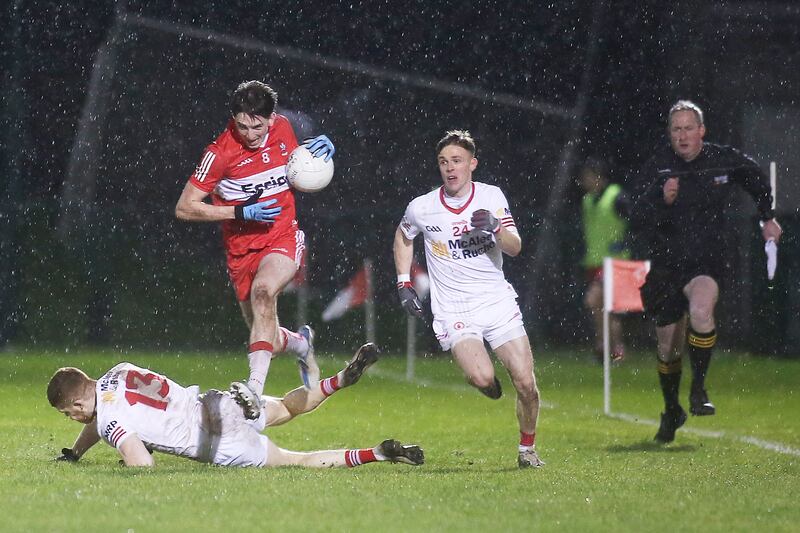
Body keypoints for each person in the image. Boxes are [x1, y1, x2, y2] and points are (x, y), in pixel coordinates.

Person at [175, 81, 336, 419]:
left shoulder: (285, 127)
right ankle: (302, 344)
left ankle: (254, 390)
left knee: (264, 292)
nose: (249, 133)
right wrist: (239, 211)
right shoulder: (218, 153)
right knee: (267, 338)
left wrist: (321, 147)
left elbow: (302, 156)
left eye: (257, 126)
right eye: (241, 125)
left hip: (282, 235)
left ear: (271, 118)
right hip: (240, 250)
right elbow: (185, 207)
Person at [631, 100, 782, 443]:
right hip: (667, 266)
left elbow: (755, 177)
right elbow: (635, 217)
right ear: (669, 134)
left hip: (706, 263)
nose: (682, 135)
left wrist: (767, 216)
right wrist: (660, 198)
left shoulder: (722, 159)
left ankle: (698, 389)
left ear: (702, 131)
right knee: (667, 348)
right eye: (676, 129)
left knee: (701, 311)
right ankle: (672, 409)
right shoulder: (658, 168)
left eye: (688, 128)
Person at [392, 130, 544, 468]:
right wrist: (404, 283)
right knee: (482, 378)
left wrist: (495, 227)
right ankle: (487, 383)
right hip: (454, 309)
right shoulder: (422, 207)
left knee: (526, 383)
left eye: (457, 161)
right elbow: (403, 237)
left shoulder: (491, 197)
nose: (450, 168)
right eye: (444, 162)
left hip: (496, 302)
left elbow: (516, 247)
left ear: (472, 164)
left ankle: (527, 448)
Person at [48, 344, 424, 468]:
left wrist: (132, 462)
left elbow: (140, 461)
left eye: (69, 413)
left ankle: (377, 454)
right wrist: (76, 452)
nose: (74, 419)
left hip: (216, 441)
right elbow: (98, 419)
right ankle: (339, 379)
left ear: (79, 400)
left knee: (299, 460)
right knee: (289, 408)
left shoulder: (111, 418)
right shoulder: (118, 371)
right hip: (217, 403)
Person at [578, 156, 631, 363]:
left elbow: (634, 222)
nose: (585, 182)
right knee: (602, 307)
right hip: (595, 261)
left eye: (589, 177)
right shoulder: (588, 200)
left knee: (600, 303)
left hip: (616, 261)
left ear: (599, 178)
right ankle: (607, 348)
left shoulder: (617, 197)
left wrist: (625, 242)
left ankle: (611, 348)